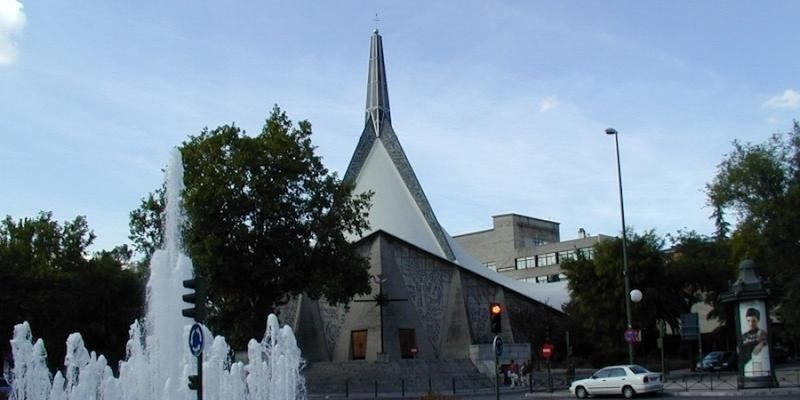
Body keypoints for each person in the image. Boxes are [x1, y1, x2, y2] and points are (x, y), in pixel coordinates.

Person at [740, 307, 769, 375]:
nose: (751, 324)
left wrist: (761, 344)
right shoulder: (745, 335)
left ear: (758, 320)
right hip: (747, 365)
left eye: (753, 321)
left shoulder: (762, 333)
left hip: (759, 362)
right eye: (748, 320)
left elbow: (756, 351)